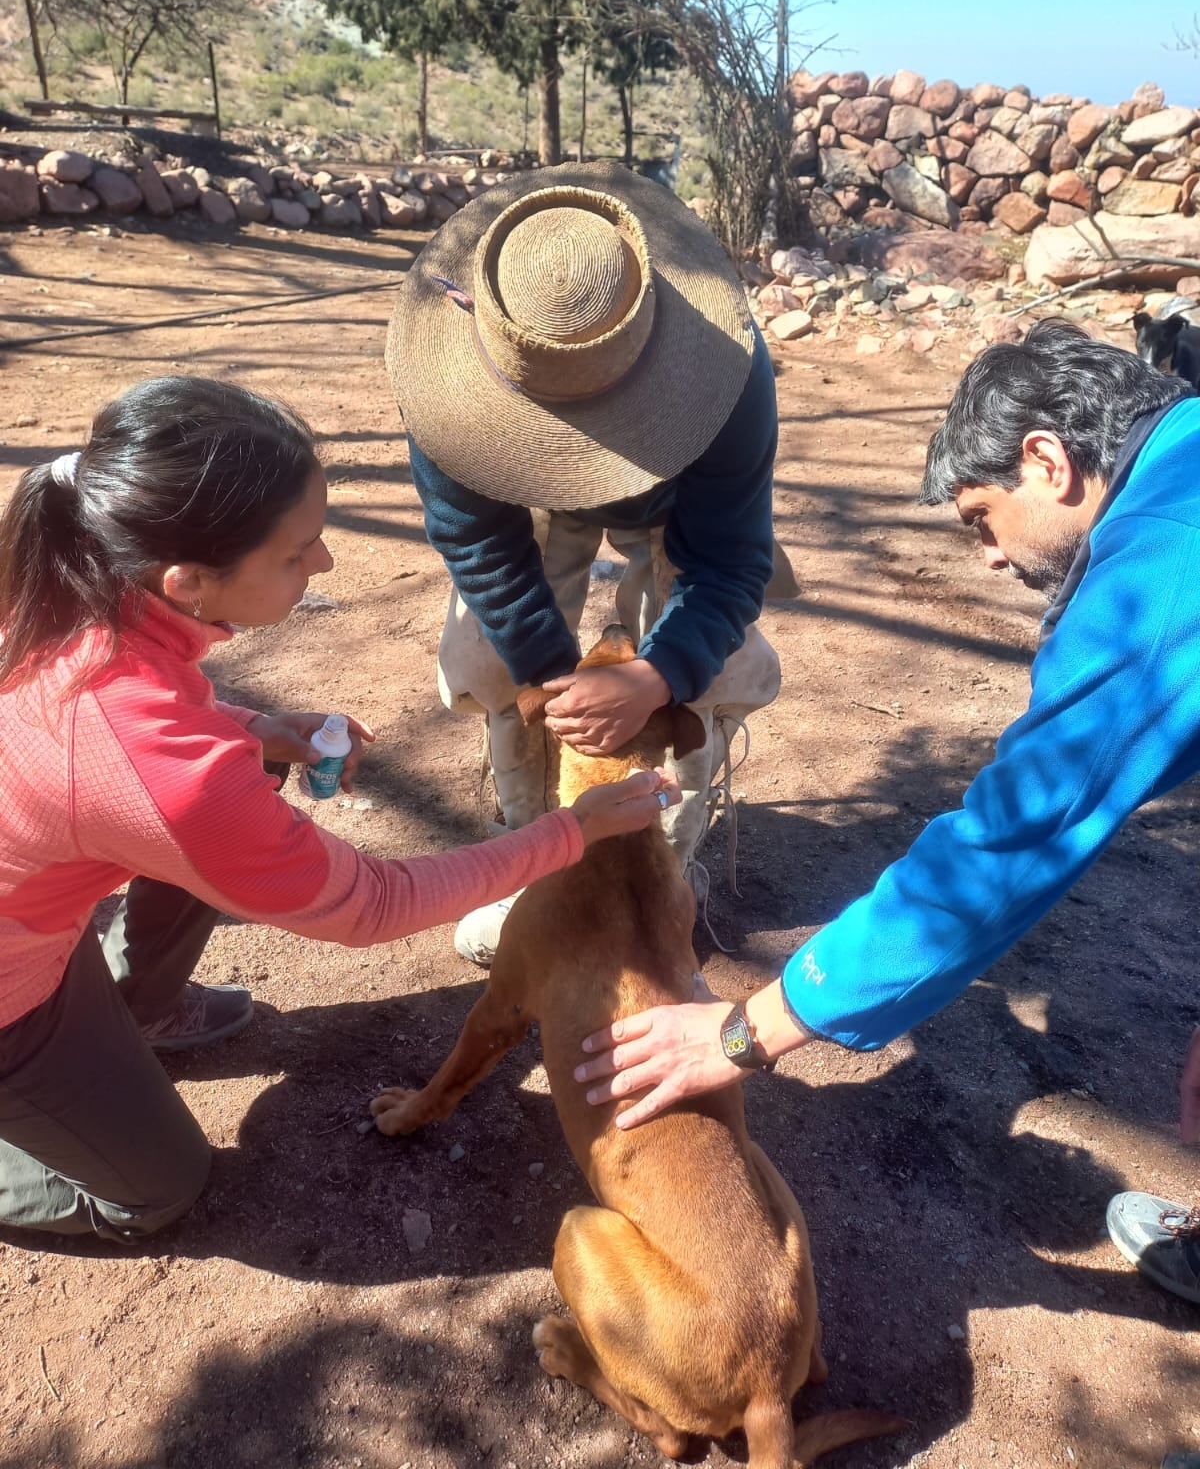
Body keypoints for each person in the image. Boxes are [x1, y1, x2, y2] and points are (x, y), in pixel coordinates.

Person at [573, 318, 1200, 1305]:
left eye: (980, 519)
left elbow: (1010, 840)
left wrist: (748, 1028)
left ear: (1048, 461)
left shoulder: (1161, 569)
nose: (989, 557)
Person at [0, 376, 679, 1243]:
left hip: (37, 917)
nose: (322, 565)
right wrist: (571, 832)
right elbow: (371, 905)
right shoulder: (170, 773)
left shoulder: (74, 575)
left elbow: (140, 732)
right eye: (297, 552)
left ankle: (140, 1004)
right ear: (190, 579)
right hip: (12, 986)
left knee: (233, 811)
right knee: (159, 1189)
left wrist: (263, 732)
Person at [385, 161, 786, 965]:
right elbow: (477, 543)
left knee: (715, 672)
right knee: (483, 663)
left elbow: (730, 562)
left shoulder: (729, 379)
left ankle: (660, 875)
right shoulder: (447, 392)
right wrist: (547, 676)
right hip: (517, 492)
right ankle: (530, 859)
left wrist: (656, 675)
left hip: (673, 507)